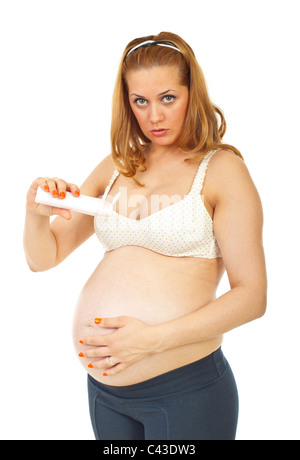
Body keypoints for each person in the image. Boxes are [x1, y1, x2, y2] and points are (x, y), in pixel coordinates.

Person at [23, 31, 267, 441]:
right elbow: (43, 257)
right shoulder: (119, 165)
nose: (154, 116)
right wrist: (35, 215)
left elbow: (252, 297)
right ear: (127, 102)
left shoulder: (222, 170)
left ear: (193, 93)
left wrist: (151, 341)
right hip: (105, 394)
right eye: (141, 101)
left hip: (184, 391)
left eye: (168, 98)